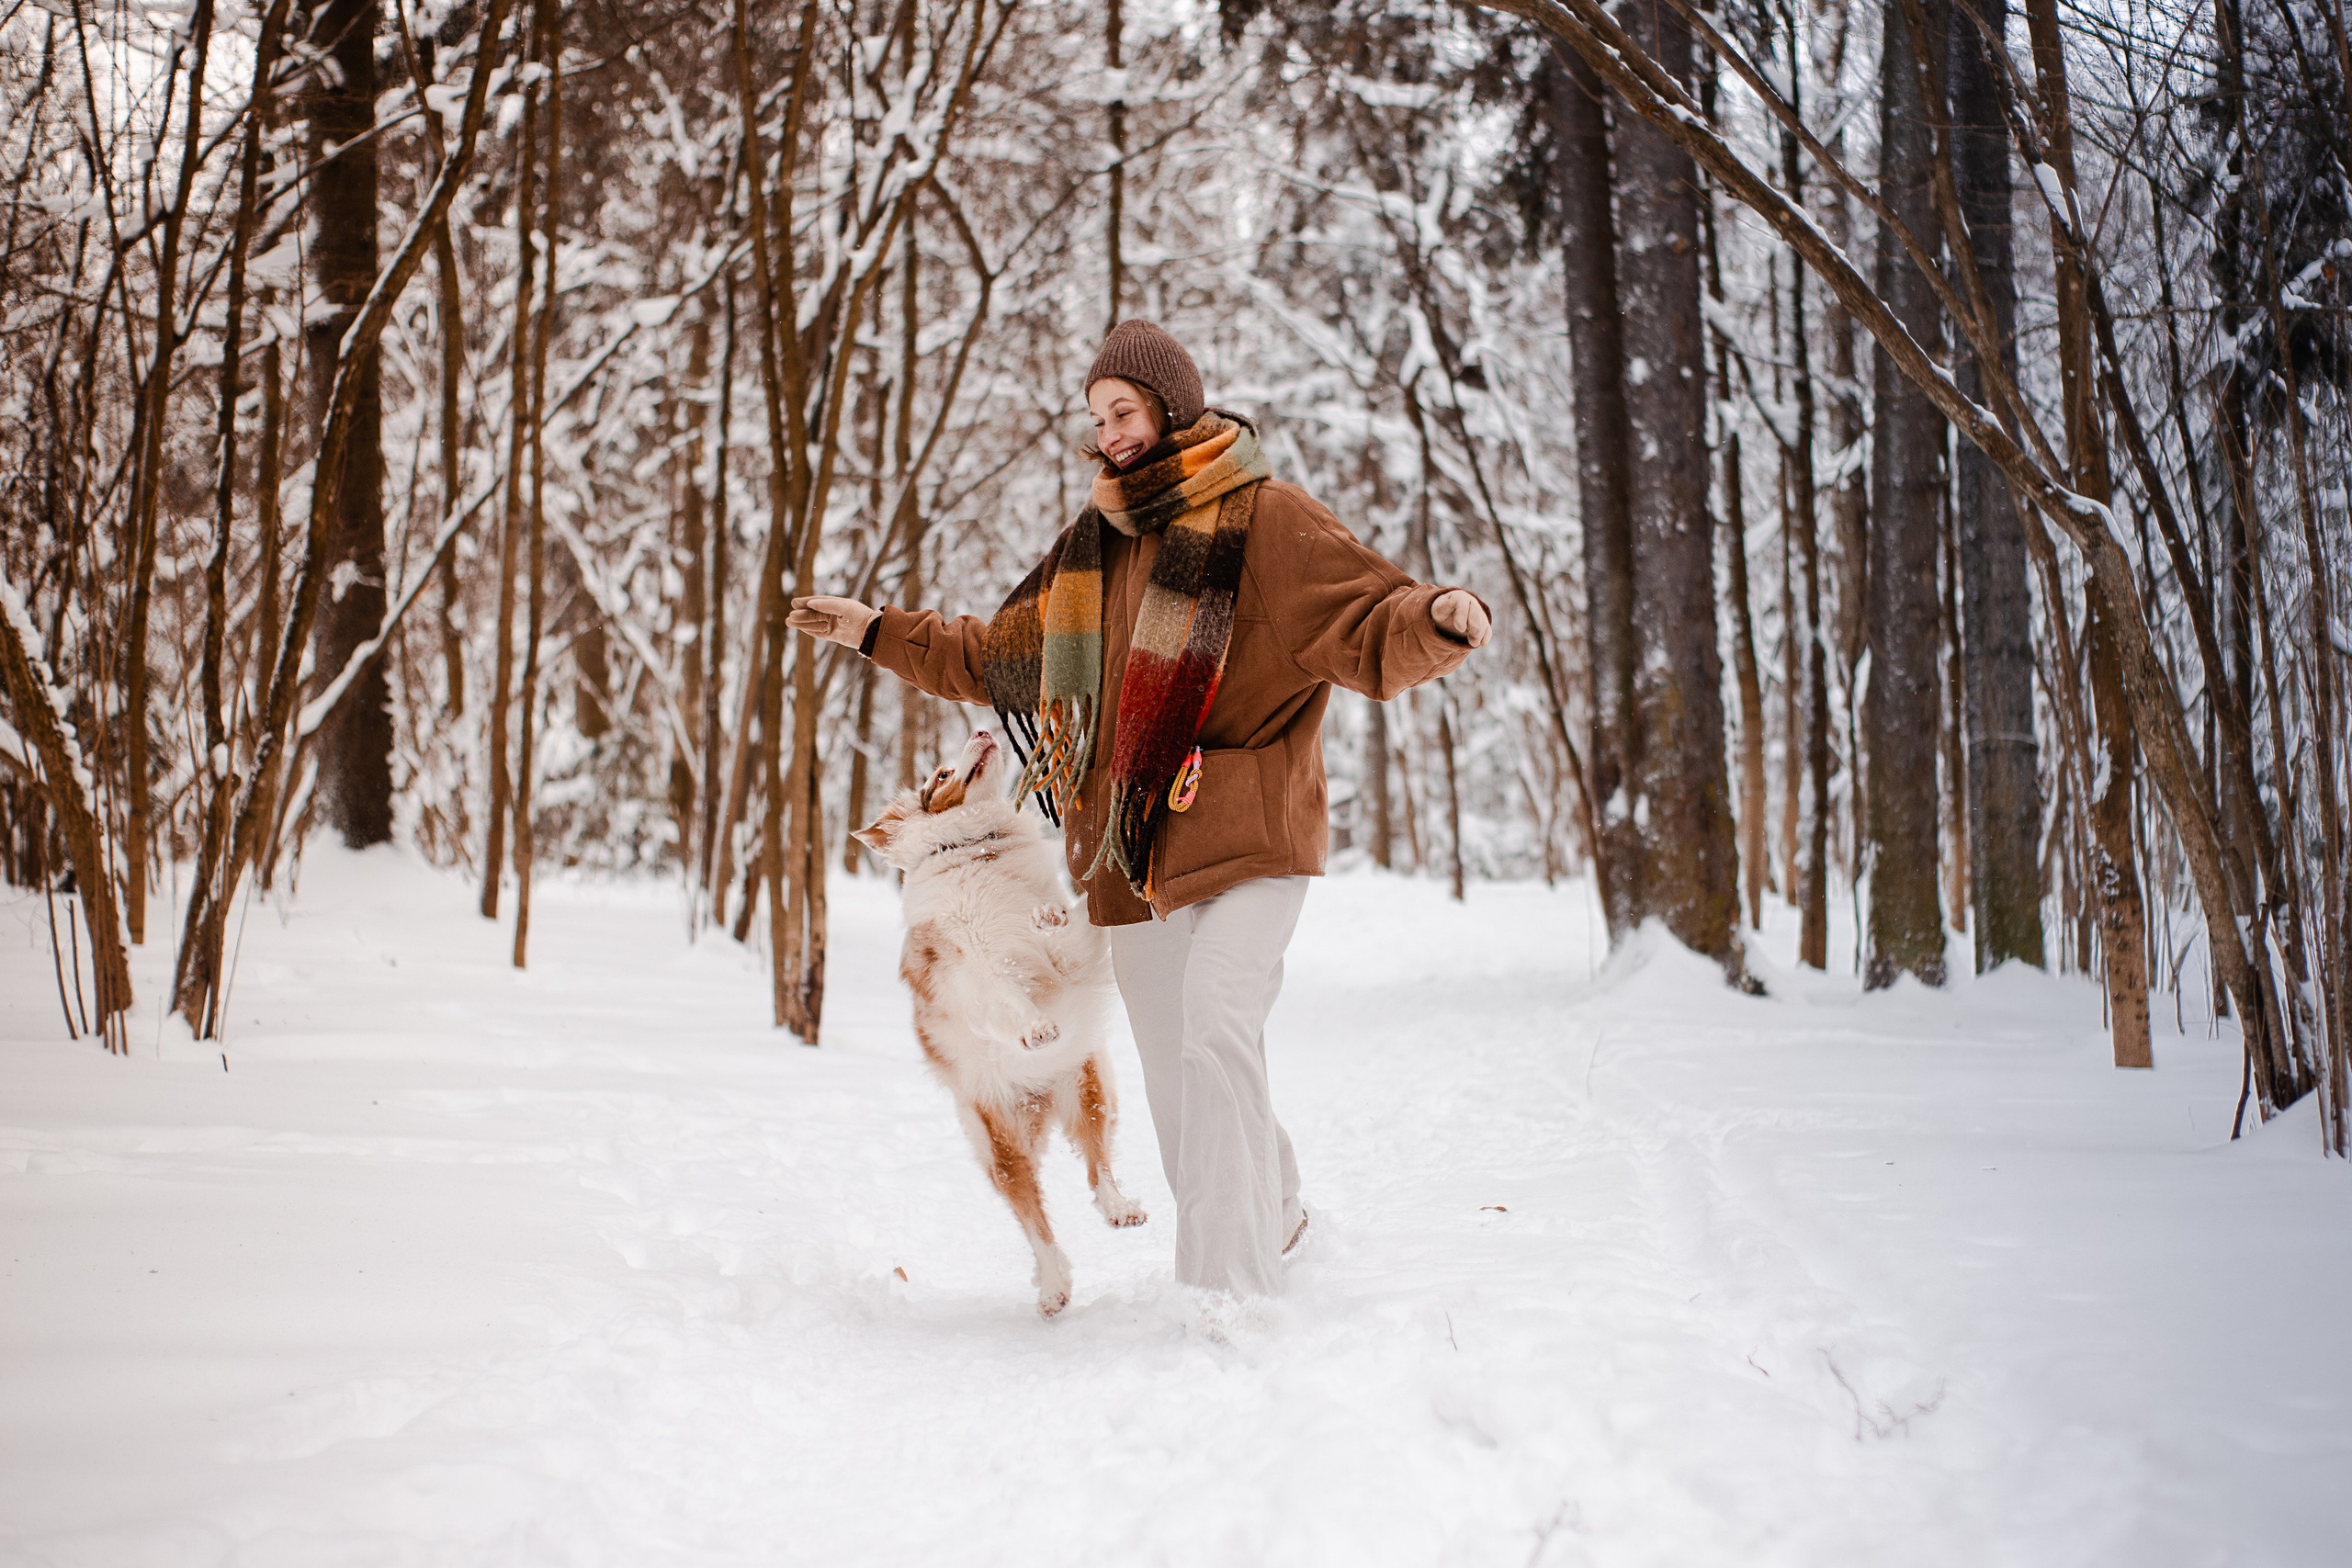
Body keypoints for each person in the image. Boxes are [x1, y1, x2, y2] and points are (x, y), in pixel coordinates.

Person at [789, 320, 1489, 1298]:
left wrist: (1438, 620)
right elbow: (998, 657)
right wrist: (875, 632)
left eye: (1123, 410)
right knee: (1176, 1074)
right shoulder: (1092, 546)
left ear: (1170, 404)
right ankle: (1275, 1204)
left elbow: (1367, 616)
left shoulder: (1263, 515)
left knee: (1213, 1031)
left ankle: (1224, 1292)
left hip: (1249, 831)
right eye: (1096, 417)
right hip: (1128, 852)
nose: (1109, 432)